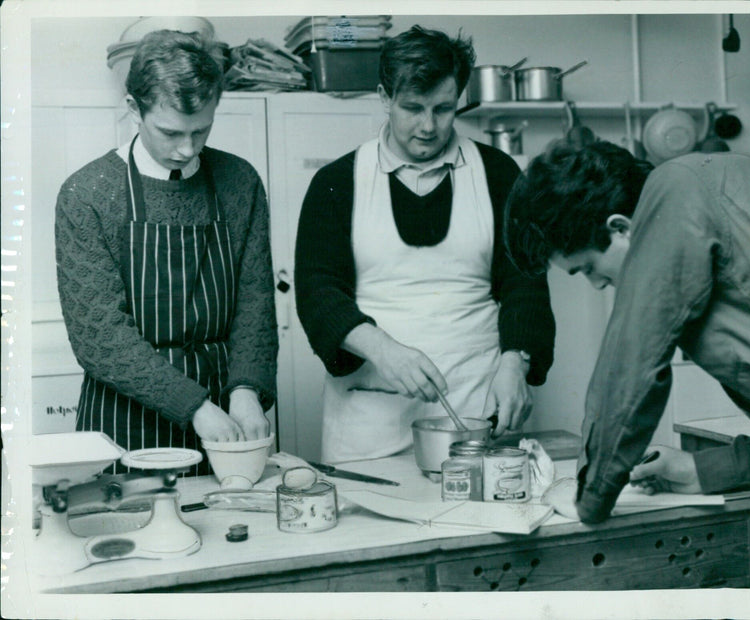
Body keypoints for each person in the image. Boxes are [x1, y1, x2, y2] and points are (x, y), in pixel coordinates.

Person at [294, 25, 555, 463]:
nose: (428, 126)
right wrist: (383, 350)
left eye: (443, 109)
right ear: (385, 97)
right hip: (370, 416)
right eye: (413, 108)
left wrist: (517, 361)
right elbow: (318, 292)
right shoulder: (336, 182)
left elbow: (525, 282)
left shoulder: (500, 174)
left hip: (476, 408)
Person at [504, 139, 750, 523]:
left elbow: (632, 361)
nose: (597, 285)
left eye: (588, 268)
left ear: (621, 228)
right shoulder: (733, 177)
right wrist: (700, 470)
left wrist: (591, 496)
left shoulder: (675, 192)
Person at [55, 30, 278, 475]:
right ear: (134, 109)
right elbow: (100, 337)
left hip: (228, 414)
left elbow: (255, 302)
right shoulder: (88, 193)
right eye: (170, 132)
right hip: (125, 422)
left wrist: (246, 389)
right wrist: (195, 407)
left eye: (201, 130)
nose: (187, 148)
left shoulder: (240, 181)